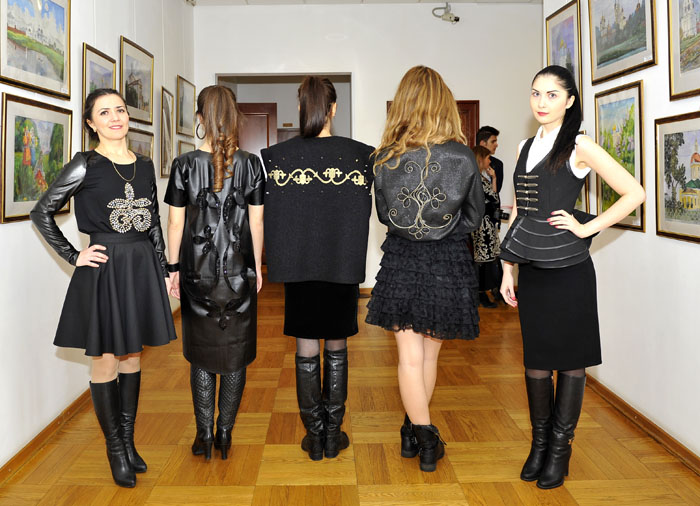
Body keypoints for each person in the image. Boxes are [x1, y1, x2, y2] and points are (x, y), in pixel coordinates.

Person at [499, 65, 645, 489]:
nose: (541, 102)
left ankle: (560, 451)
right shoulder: (525, 145)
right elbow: (519, 210)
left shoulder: (580, 146)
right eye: (535, 93)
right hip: (532, 269)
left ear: (569, 101)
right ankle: (540, 445)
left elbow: (634, 193)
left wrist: (586, 227)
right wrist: (508, 266)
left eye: (551, 95)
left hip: (569, 272)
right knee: (536, 361)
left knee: (570, 362)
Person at [30, 88, 177, 488]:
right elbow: (42, 211)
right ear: (91, 123)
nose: (115, 118)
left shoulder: (144, 165)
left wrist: (164, 267)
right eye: (104, 112)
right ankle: (114, 448)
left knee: (133, 357)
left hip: (141, 267)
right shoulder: (85, 164)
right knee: (107, 361)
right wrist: (73, 255)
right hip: (106, 270)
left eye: (120, 110)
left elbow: (153, 221)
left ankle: (128, 442)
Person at [366, 66, 485, 472]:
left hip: (402, 259)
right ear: (444, 104)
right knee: (430, 358)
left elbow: (385, 216)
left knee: (409, 359)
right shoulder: (463, 156)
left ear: (403, 104)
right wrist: (444, 231)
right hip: (448, 261)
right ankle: (425, 437)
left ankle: (414, 430)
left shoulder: (383, 158)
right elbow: (474, 217)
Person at [261, 76, 374, 461]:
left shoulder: (277, 158)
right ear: (333, 108)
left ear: (300, 107)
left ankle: (314, 435)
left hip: (299, 270)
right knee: (337, 346)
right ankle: (333, 434)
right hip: (341, 266)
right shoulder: (361, 156)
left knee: (306, 346)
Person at [165, 85, 265, 461]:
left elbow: (175, 225)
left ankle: (204, 435)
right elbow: (257, 223)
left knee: (202, 356)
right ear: (234, 117)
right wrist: (257, 269)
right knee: (235, 355)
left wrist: (172, 269)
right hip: (239, 275)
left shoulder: (184, 165)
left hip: (198, 276)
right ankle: (225, 434)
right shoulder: (251, 164)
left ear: (200, 118)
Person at [471, 145, 501, 308]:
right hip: (482, 225)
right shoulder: (476, 179)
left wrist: (494, 178)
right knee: (483, 260)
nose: (490, 161)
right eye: (488, 158)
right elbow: (493, 199)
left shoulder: (480, 178)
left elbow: (494, 197)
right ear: (481, 159)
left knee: (487, 259)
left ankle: (484, 293)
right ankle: (480, 295)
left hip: (485, 223)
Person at [476, 125, 503, 194]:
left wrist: (494, 177)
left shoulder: (498, 164)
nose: (496, 145)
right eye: (493, 142)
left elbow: (495, 194)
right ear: (483, 143)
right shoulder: (469, 161)